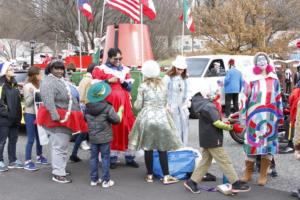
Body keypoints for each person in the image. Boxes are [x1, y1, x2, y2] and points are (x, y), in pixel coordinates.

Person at [184, 91, 250, 194]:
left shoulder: (203, 105)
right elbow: (216, 122)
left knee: (205, 162)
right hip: (214, 139)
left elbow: (212, 121)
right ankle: (235, 183)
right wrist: (231, 127)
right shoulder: (210, 106)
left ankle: (192, 182)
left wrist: (228, 123)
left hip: (206, 138)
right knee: (224, 161)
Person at [128, 60, 182, 184]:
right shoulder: (163, 85)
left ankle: (150, 175)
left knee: (148, 148)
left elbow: (137, 106)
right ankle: (166, 176)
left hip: (147, 118)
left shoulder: (143, 86)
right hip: (162, 117)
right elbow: (165, 102)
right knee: (162, 148)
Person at [37, 60, 88, 183]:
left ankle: (60, 168)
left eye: (61, 68)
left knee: (63, 145)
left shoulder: (59, 80)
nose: (60, 71)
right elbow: (48, 100)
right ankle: (58, 173)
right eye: (56, 68)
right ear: (51, 69)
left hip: (65, 117)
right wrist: (56, 117)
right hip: (58, 119)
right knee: (59, 146)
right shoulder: (48, 81)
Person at [239, 52, 283, 186]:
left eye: (264, 59)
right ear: (255, 63)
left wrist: (280, 116)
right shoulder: (250, 79)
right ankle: (248, 172)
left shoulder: (274, 79)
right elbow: (243, 97)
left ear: (268, 62)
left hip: (270, 118)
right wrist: (242, 115)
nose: (262, 62)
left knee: (268, 146)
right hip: (254, 118)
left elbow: (279, 98)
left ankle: (263, 174)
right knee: (252, 144)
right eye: (259, 60)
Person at [92, 48, 138, 169]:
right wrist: (107, 80)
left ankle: (129, 157)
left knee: (126, 127)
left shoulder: (125, 70)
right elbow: (95, 89)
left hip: (124, 105)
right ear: (109, 57)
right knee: (111, 129)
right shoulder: (100, 69)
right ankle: (111, 158)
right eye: (115, 58)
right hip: (109, 104)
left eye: (120, 58)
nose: (118, 61)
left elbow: (129, 88)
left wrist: (123, 83)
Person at [85, 81, 123, 188]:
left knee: (93, 158)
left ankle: (94, 179)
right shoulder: (108, 107)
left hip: (93, 137)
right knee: (105, 158)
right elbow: (116, 120)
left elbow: (85, 120)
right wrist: (120, 111)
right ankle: (106, 181)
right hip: (105, 138)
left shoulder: (87, 108)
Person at [69, 63, 97, 163]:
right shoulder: (90, 81)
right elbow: (89, 97)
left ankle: (74, 154)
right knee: (89, 132)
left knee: (83, 132)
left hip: (81, 107)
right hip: (87, 108)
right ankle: (94, 156)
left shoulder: (84, 79)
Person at [23, 66, 48, 171]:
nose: (41, 75)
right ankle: (27, 161)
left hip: (39, 113)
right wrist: (34, 93)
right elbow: (27, 103)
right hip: (30, 114)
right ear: (34, 75)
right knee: (30, 138)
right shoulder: (27, 86)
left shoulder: (40, 84)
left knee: (40, 136)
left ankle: (39, 156)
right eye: (39, 74)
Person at [0, 62, 23, 172]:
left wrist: (18, 115)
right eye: (10, 68)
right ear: (5, 71)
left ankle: (12, 160)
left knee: (13, 141)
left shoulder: (15, 84)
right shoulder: (1, 85)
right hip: (4, 119)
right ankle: (0, 161)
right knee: (2, 141)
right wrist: (7, 114)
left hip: (15, 119)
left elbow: (18, 101)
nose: (12, 69)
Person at [163, 55, 189, 145]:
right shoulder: (168, 78)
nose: (180, 71)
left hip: (181, 107)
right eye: (178, 69)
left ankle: (182, 147)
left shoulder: (185, 78)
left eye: (182, 69)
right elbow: (163, 92)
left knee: (184, 128)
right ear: (174, 68)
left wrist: (186, 103)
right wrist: (166, 105)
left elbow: (187, 92)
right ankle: (173, 148)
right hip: (171, 107)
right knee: (174, 128)